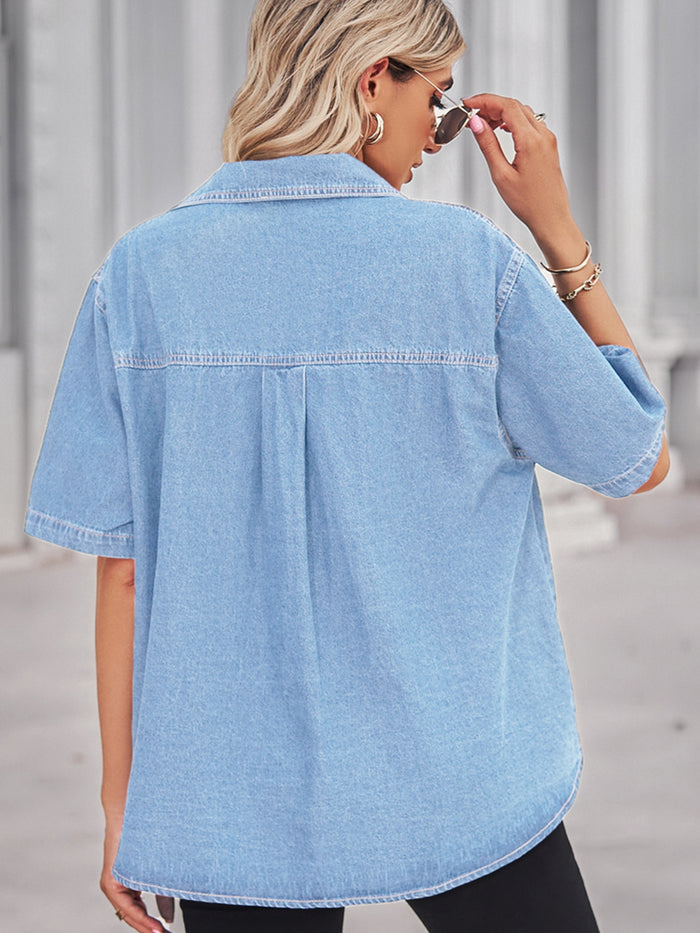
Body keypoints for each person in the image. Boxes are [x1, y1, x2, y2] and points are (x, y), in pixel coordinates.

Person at [24, 1, 669, 931]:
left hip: (234, 793)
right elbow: (634, 455)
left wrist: (125, 805)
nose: (438, 136)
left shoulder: (138, 277)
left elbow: (122, 569)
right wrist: (560, 232)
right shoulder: (468, 264)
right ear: (373, 82)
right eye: (437, 100)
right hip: (458, 770)